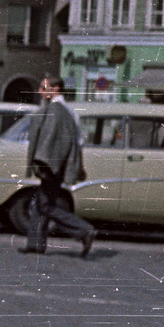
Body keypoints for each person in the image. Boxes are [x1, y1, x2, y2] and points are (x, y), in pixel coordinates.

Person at [22, 76, 95, 257]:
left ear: (55, 89)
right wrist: (79, 165)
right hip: (58, 164)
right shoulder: (68, 110)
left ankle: (83, 230)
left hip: (51, 165)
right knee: (41, 202)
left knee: (45, 205)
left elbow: (50, 141)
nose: (39, 91)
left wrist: (43, 163)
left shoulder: (55, 110)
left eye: (43, 87)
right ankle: (35, 244)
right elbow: (78, 142)